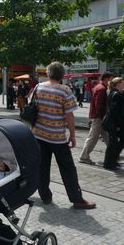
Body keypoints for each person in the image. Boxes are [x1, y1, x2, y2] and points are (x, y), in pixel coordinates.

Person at [32, 61, 96, 210]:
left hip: (38, 135)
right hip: (57, 137)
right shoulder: (64, 90)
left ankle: (45, 196)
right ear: (62, 75)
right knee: (68, 168)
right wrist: (72, 134)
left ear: (48, 73)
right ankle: (76, 199)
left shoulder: (38, 87)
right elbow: (70, 116)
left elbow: (33, 108)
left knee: (42, 167)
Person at [79, 72, 114, 165]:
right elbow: (99, 106)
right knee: (93, 137)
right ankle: (84, 156)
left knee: (107, 136)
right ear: (107, 79)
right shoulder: (102, 89)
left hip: (99, 117)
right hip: (99, 117)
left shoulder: (99, 87)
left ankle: (115, 154)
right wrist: (103, 118)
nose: (112, 81)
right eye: (111, 79)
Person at [103, 77, 124, 170]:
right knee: (113, 144)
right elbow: (116, 111)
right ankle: (109, 163)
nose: (123, 85)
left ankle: (113, 161)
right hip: (114, 124)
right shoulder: (116, 94)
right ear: (118, 84)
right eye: (123, 83)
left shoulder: (115, 93)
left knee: (115, 143)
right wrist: (119, 125)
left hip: (113, 123)